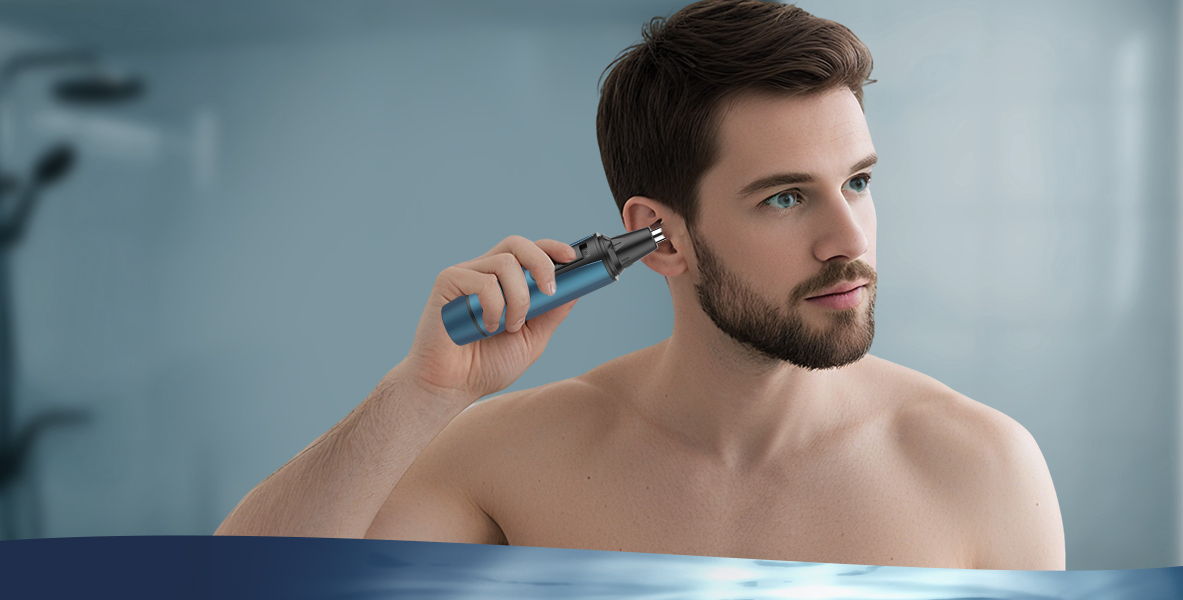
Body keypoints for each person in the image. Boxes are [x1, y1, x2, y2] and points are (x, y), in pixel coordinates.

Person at [216, 0, 1065, 570]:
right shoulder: (511, 462)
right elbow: (239, 590)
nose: (850, 240)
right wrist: (422, 392)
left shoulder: (981, 469)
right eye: (783, 197)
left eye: (859, 183)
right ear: (662, 239)